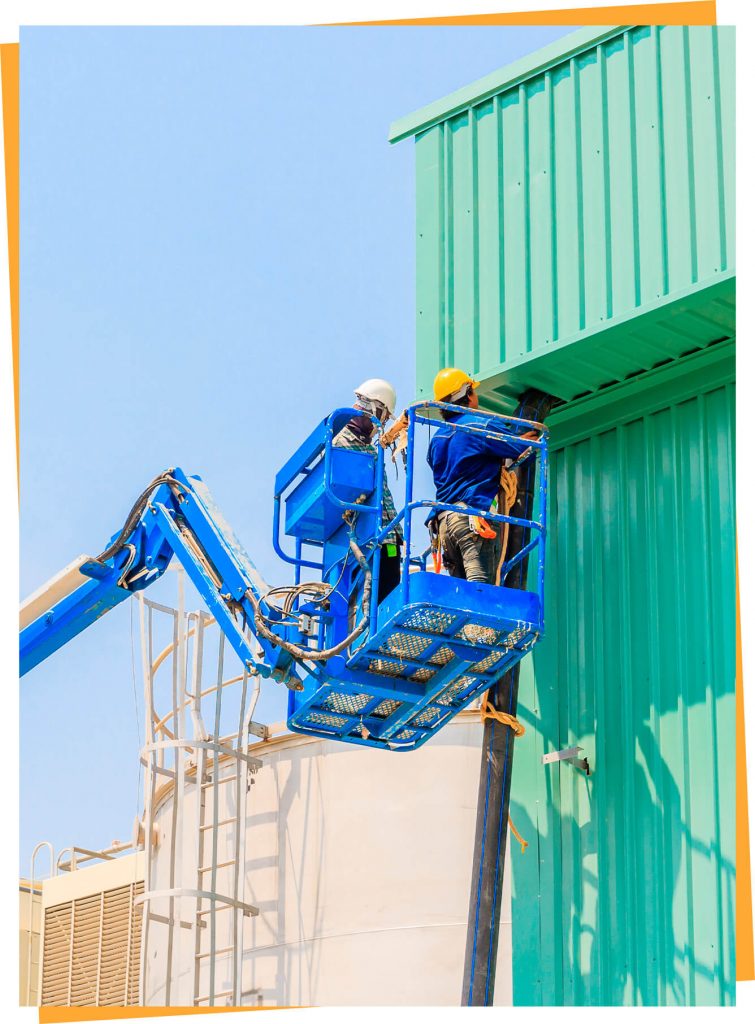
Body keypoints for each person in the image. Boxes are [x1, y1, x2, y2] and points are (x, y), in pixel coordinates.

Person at [427, 368, 522, 584]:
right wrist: (524, 440)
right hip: (472, 518)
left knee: (462, 597)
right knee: (481, 591)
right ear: (468, 393)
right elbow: (518, 448)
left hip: (444, 523)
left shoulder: (437, 439)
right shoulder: (480, 425)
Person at [333, 378, 403, 603]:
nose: (380, 423)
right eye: (381, 417)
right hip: (367, 537)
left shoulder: (367, 447)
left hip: (388, 539)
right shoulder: (340, 443)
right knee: (370, 602)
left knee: (389, 596)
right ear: (372, 409)